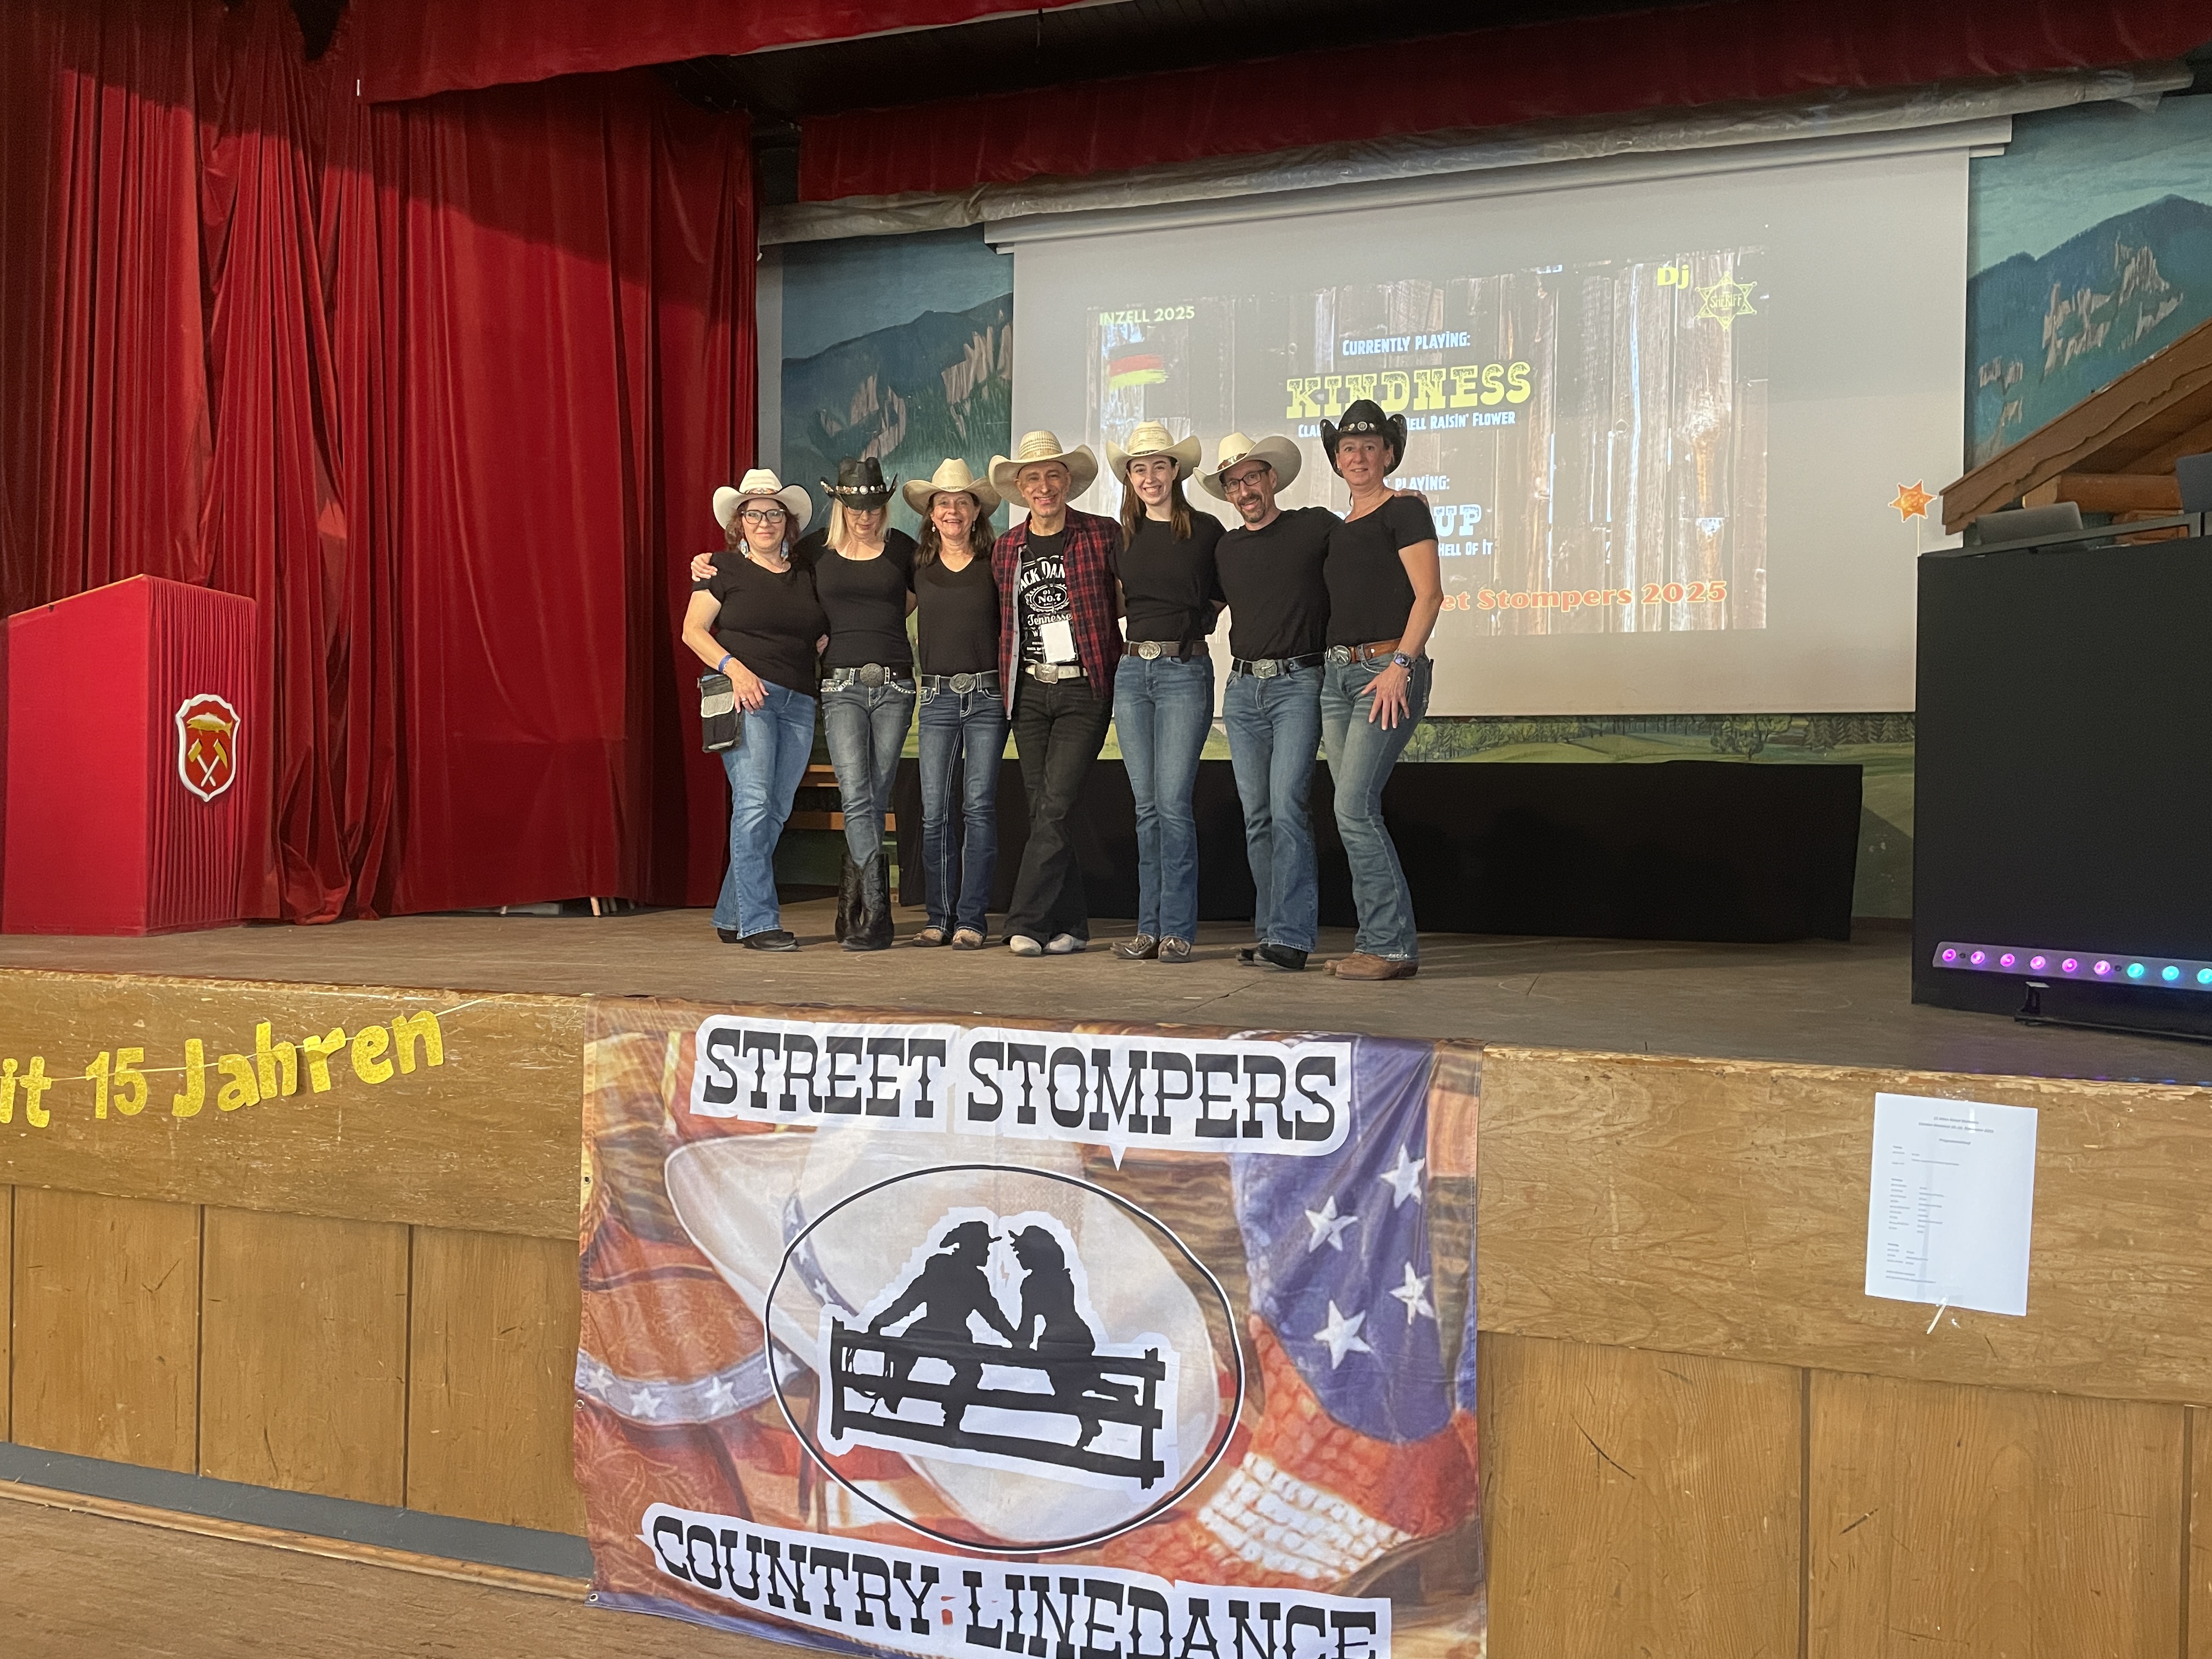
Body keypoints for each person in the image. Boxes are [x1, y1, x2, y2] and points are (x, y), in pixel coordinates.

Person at [1198, 432, 1336, 973]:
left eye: (1252, 477)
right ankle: (1272, 933)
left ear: (1272, 479)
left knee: (1287, 807)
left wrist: (1404, 504)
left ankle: (1291, 936)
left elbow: (1369, 540)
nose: (1245, 490)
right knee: (1257, 816)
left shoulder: (1314, 526)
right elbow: (1201, 607)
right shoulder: (1226, 548)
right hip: (1242, 690)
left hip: (1299, 683)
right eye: (1234, 483)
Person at [1318, 399, 1444, 981]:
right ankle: (1376, 942)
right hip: (1336, 678)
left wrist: (1400, 665)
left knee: (1354, 808)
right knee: (1351, 813)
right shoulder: (1335, 529)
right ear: (1336, 460)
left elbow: (1430, 596)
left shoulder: (1406, 511)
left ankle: (1390, 947)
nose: (1359, 456)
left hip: (1385, 674)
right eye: (1349, 448)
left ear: (1389, 454)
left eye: (1370, 447)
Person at [988, 431, 1122, 958]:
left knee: (1056, 806)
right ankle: (1072, 926)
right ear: (1021, 489)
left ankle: (1024, 921)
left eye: (1052, 476)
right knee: (1042, 808)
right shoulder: (1007, 548)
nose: (1043, 487)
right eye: (1033, 479)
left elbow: (1132, 595)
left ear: (1068, 482)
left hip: (1082, 689)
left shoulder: (1102, 534)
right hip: (1028, 691)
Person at [680, 471, 826, 951]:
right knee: (755, 804)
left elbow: (817, 625)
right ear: (739, 522)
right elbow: (693, 631)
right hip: (745, 696)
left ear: (788, 521)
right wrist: (734, 669)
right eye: (754, 514)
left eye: (774, 513)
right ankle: (759, 924)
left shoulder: (807, 573)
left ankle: (732, 914)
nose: (765, 522)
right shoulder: (720, 569)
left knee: (776, 811)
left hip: (798, 699)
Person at [1104, 422, 1222, 965]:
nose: (1149, 477)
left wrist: (1191, 629)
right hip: (1132, 674)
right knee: (1146, 808)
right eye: (1139, 468)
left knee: (1173, 806)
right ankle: (1147, 929)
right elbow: (1119, 602)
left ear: (1176, 471)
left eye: (1159, 466)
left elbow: (1222, 596)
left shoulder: (1206, 530)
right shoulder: (1122, 536)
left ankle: (1176, 929)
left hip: (1183, 671)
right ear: (1129, 477)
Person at [803, 457, 915, 952]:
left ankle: (850, 904)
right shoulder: (815, 551)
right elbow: (770, 573)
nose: (864, 516)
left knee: (875, 793)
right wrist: (712, 560)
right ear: (840, 506)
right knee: (856, 794)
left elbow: (917, 597)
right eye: (855, 508)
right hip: (841, 685)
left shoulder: (902, 549)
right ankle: (878, 914)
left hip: (895, 684)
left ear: (884, 507)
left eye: (872, 507)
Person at [904, 459, 1005, 950]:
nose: (952, 511)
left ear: (976, 511)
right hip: (937, 697)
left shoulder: (996, 563)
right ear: (930, 513)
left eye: (961, 502)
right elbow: (877, 606)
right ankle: (938, 917)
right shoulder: (917, 567)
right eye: (942, 503)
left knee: (979, 809)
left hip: (987, 696)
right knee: (935, 812)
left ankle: (971, 919)